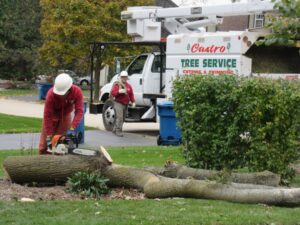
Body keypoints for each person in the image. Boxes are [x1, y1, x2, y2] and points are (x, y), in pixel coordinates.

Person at [38, 73, 84, 154]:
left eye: (62, 94)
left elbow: (79, 111)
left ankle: (58, 161)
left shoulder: (77, 92)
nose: (60, 96)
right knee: (44, 145)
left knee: (59, 144)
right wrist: (49, 136)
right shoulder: (51, 94)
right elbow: (47, 115)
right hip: (52, 116)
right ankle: (42, 161)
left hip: (66, 116)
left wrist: (73, 127)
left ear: (69, 89)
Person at [110, 71, 135, 137]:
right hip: (118, 103)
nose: (124, 78)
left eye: (125, 77)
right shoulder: (117, 85)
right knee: (120, 117)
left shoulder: (129, 86)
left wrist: (133, 102)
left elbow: (131, 95)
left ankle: (115, 129)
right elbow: (113, 93)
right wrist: (118, 91)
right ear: (120, 77)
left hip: (126, 104)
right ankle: (118, 131)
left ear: (127, 78)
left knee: (123, 118)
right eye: (123, 77)